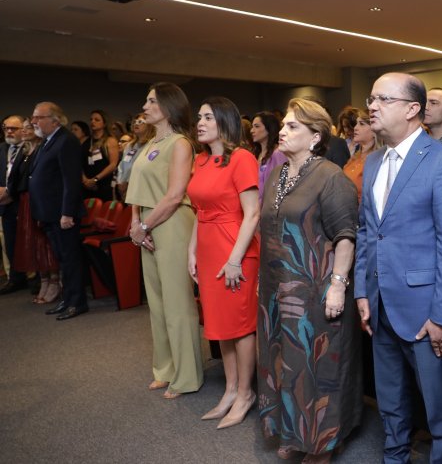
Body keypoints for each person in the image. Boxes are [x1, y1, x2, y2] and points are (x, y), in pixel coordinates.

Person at [355, 73, 442, 463]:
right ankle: (395, 455)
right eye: (371, 99)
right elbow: (367, 231)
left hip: (424, 310)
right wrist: (362, 290)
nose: (372, 107)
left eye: (382, 99)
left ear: (412, 109)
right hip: (380, 303)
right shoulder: (374, 161)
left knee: (439, 405)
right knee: (389, 397)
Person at [258, 98, 361, 463]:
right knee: (285, 360)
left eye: (293, 126)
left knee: (318, 365)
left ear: (316, 136)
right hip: (277, 287)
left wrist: (337, 286)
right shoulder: (278, 173)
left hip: (316, 289)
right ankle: (294, 430)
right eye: (284, 125)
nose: (283, 131)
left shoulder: (331, 177)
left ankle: (324, 441)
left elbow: (346, 237)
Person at [126, 82, 203, 399]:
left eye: (152, 101)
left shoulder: (180, 144)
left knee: (177, 303)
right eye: (146, 100)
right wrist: (136, 222)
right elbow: (136, 190)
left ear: (170, 106)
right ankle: (166, 369)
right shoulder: (148, 143)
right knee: (157, 302)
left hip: (171, 224)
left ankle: (187, 376)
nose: (145, 106)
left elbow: (174, 196)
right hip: (148, 224)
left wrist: (144, 225)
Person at [187, 97, 260, 429]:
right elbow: (199, 211)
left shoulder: (242, 158)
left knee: (240, 325)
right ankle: (230, 389)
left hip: (235, 248)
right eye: (199, 117)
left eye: (207, 117)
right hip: (208, 246)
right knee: (220, 324)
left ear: (225, 122)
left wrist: (234, 260)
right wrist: (191, 250)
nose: (200, 123)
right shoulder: (201, 160)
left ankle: (246, 393)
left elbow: (252, 214)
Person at [28, 102, 89, 320]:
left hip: (62, 214)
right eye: (33, 117)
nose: (33, 121)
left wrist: (67, 213)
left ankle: (77, 302)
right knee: (63, 260)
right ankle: (68, 299)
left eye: (38, 117)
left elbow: (71, 181)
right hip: (50, 213)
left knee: (70, 259)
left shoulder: (66, 141)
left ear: (54, 120)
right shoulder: (47, 141)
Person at [4, 119, 60, 303]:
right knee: (34, 244)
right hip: (25, 202)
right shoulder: (24, 151)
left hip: (40, 200)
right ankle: (43, 281)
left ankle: (54, 282)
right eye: (24, 128)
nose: (25, 131)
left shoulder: (43, 149)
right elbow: (15, 179)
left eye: (29, 127)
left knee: (45, 244)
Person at [0, 115, 29, 295]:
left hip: (22, 201)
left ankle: (37, 278)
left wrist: (11, 193)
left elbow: (27, 177)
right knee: (10, 243)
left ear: (22, 130)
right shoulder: (2, 148)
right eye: (6, 128)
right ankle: (16, 279)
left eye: (13, 128)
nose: (9, 132)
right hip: (4, 204)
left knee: (29, 241)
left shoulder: (29, 148)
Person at [115, 113, 154, 201]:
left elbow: (144, 168)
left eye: (140, 122)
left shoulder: (152, 145)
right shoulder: (130, 145)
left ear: (149, 125)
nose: (136, 124)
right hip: (123, 188)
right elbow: (122, 165)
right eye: (135, 122)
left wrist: (129, 183)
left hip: (141, 188)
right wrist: (120, 182)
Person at [250, 111, 287, 204]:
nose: (252, 130)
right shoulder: (255, 154)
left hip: (270, 207)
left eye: (257, 126)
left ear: (269, 128)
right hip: (256, 206)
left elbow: (281, 186)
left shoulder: (278, 153)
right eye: (252, 126)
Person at [82, 110, 119, 201]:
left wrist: (95, 179)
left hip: (103, 184)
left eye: (97, 120)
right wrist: (85, 180)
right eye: (91, 119)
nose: (92, 122)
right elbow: (79, 162)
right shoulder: (85, 141)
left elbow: (113, 164)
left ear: (104, 123)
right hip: (86, 184)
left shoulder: (110, 141)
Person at [342, 107, 379, 202]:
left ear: (374, 130)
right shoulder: (355, 157)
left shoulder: (378, 161)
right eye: (356, 123)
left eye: (361, 124)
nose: (355, 128)